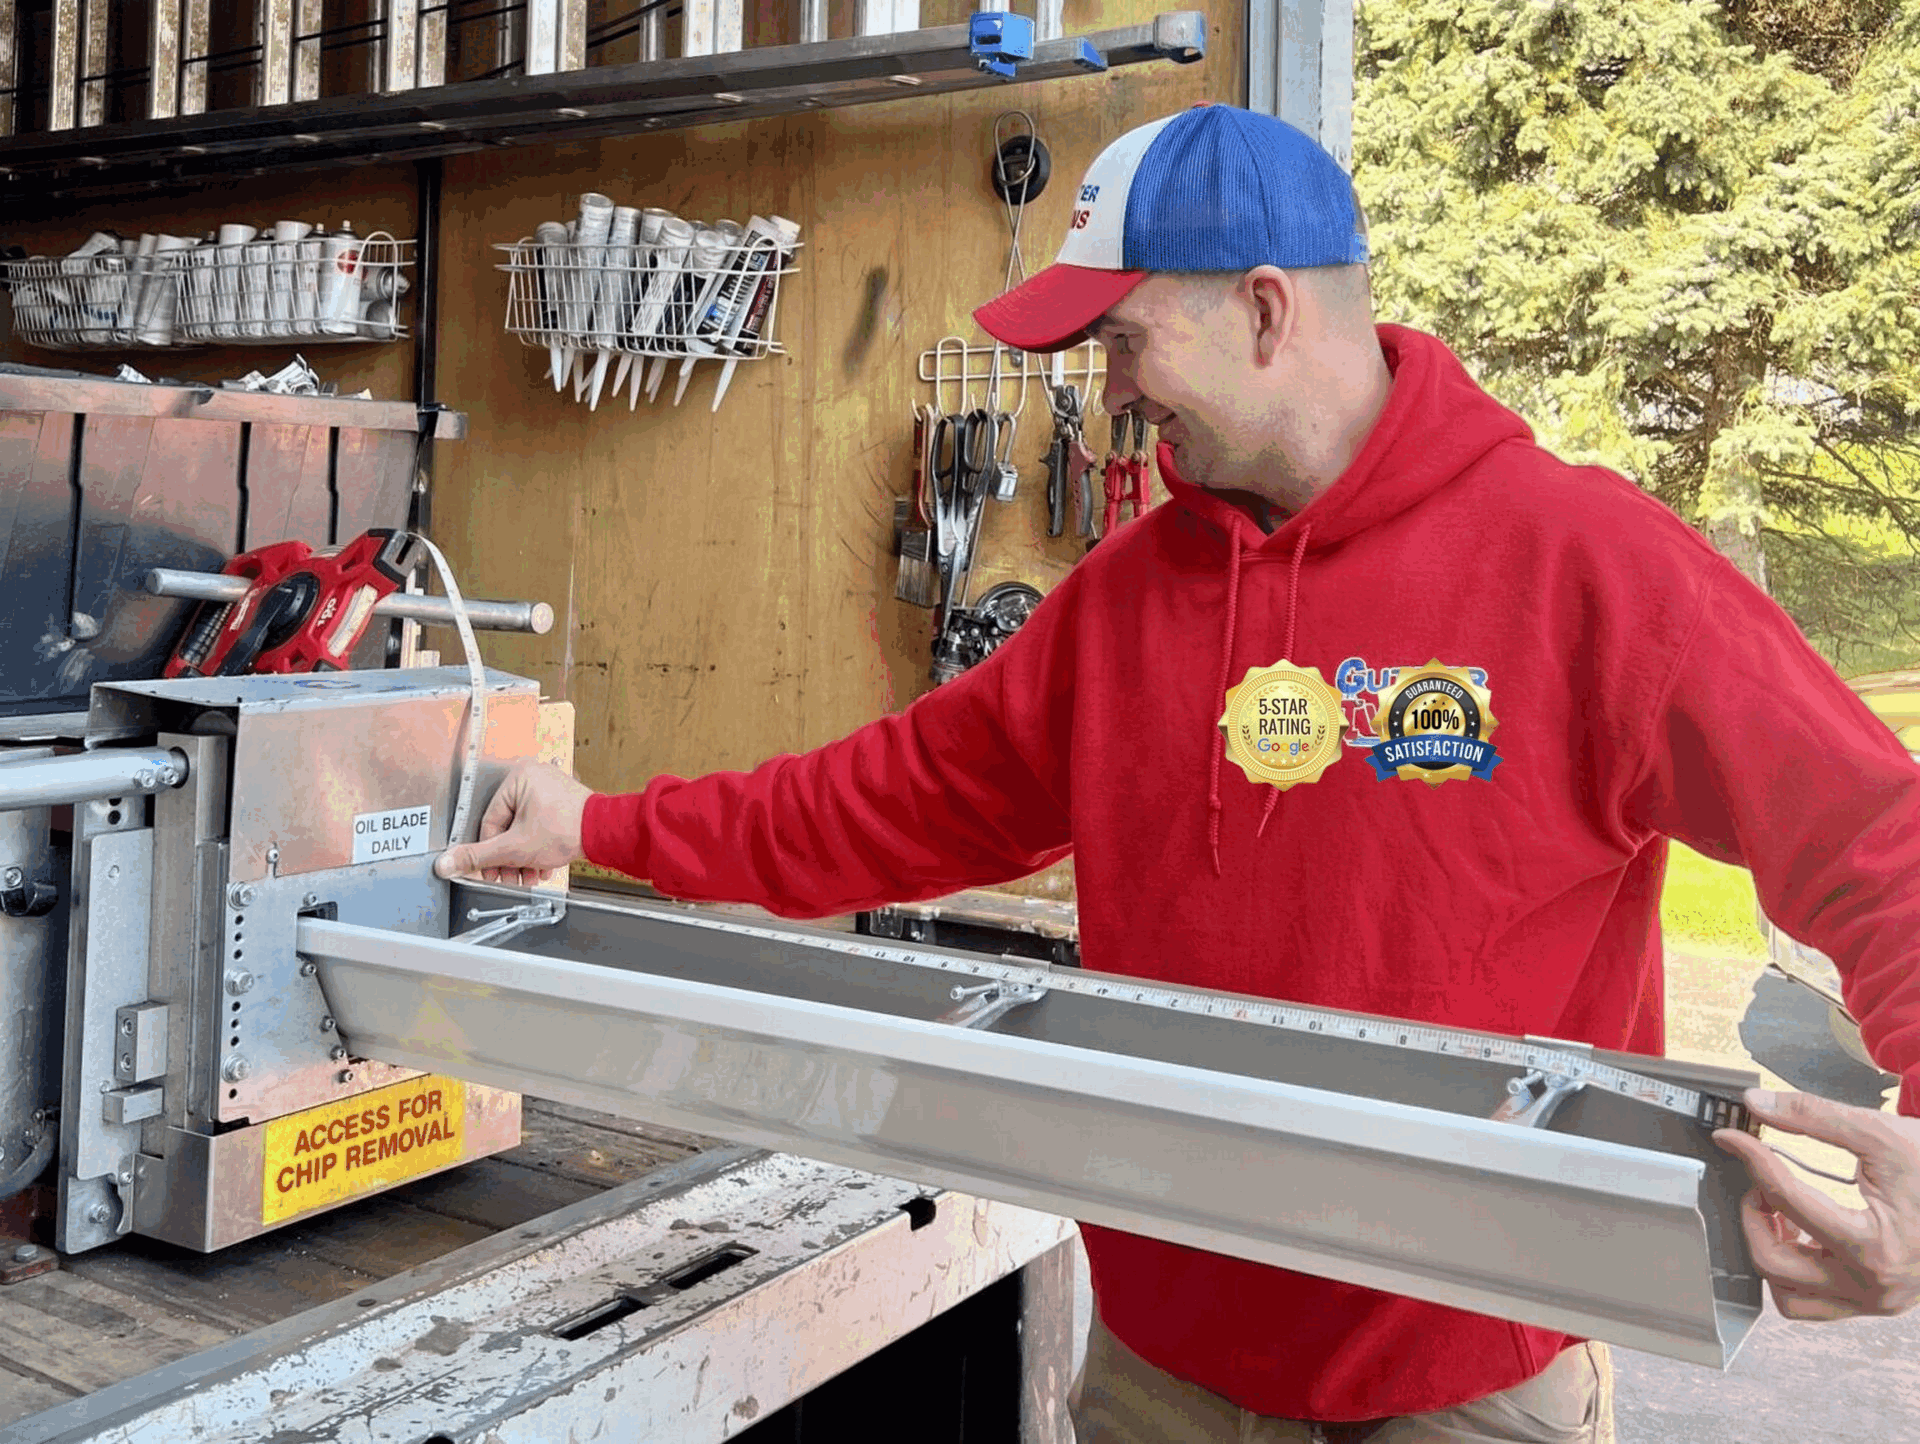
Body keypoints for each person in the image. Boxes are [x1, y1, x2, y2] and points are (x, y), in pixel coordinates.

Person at [438, 105, 1920, 1442]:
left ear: (1267, 310)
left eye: (1126, 339)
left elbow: (1875, 838)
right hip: (1159, 1376)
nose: (1111, 386)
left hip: (1461, 1391)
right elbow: (883, 803)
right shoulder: (1126, 600)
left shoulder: (1579, 562)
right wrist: (604, 822)